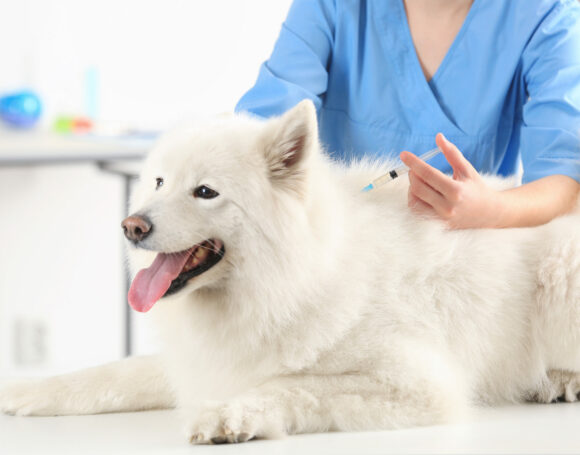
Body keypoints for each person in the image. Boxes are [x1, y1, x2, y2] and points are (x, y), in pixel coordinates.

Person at [235, 0, 580, 229]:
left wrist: (492, 209)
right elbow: (259, 132)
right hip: (338, 243)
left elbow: (561, 178)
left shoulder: (544, 15)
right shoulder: (332, 6)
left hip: (463, 261)